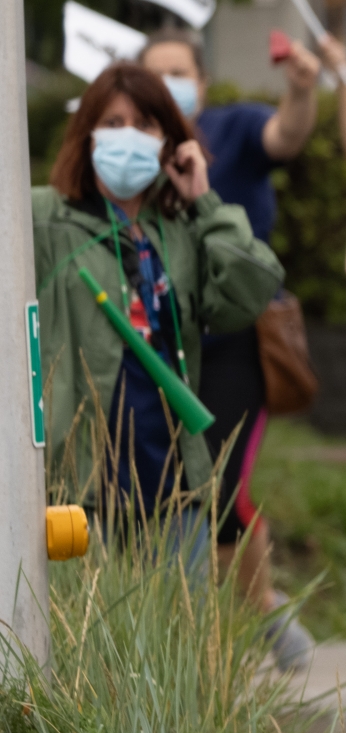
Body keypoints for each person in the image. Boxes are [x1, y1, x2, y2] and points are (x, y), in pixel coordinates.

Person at [137, 27, 339, 666]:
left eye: (179, 71)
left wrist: (302, 91)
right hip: (157, 351)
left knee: (219, 488)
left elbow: (287, 134)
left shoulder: (233, 128)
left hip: (236, 347)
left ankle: (256, 614)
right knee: (161, 490)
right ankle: (200, 631)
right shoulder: (130, 147)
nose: (169, 82)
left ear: (201, 80)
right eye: (155, 72)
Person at [31, 65, 283, 546]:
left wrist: (205, 201)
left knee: (174, 618)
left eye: (145, 125)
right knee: (80, 620)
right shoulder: (44, 218)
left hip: (173, 478)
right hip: (77, 484)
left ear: (171, 143)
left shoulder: (181, 228)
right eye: (112, 122)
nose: (128, 136)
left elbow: (251, 291)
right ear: (87, 136)